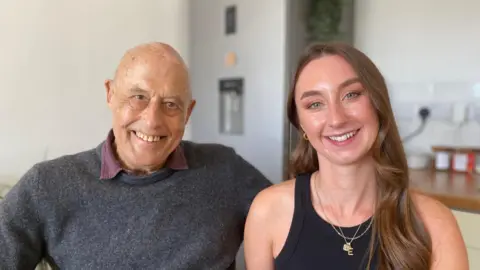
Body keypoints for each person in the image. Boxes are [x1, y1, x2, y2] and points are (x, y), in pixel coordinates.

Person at [0, 42, 272, 269]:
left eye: (170, 104)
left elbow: (298, 224)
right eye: (138, 97)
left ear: (188, 113)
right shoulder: (47, 185)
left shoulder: (225, 170)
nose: (152, 121)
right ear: (110, 94)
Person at [244, 42, 468, 270]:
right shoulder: (267, 212)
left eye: (351, 95)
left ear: (378, 104)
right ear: (301, 124)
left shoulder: (435, 224)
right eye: (315, 104)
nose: (336, 119)